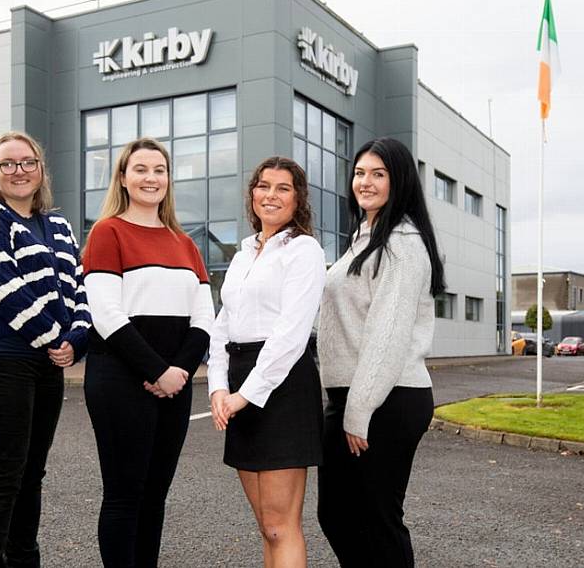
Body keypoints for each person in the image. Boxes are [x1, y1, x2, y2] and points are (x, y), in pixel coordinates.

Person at [0, 130, 91, 567]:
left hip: (44, 361)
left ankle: (24, 560)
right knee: (0, 475)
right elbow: (0, 284)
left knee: (31, 475)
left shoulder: (57, 224)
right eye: (8, 164)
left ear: (40, 168)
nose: (19, 171)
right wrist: (54, 337)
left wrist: (76, 338)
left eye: (27, 162)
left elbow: (77, 286)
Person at [82, 137, 214, 567]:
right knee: (124, 495)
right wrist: (157, 370)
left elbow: (203, 318)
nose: (151, 178)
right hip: (120, 379)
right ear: (123, 177)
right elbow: (105, 313)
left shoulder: (186, 243)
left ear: (169, 179)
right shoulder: (108, 232)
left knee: (155, 496)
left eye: (159, 170)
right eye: (140, 169)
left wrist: (177, 371)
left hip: (174, 384)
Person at [316, 137, 445, 567]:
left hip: (385, 398)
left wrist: (359, 410)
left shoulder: (402, 244)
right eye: (359, 173)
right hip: (357, 395)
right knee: (337, 514)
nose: (365, 182)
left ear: (399, 180)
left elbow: (387, 333)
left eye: (378, 174)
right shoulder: (365, 237)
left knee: (376, 519)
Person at [207, 157, 325, 568]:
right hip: (240, 383)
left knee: (281, 525)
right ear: (252, 194)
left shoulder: (304, 250)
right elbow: (222, 324)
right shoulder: (243, 254)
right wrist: (219, 388)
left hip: (282, 385)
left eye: (283, 188)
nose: (270, 195)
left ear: (298, 199)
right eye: (263, 185)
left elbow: (291, 336)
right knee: (264, 524)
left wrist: (245, 396)